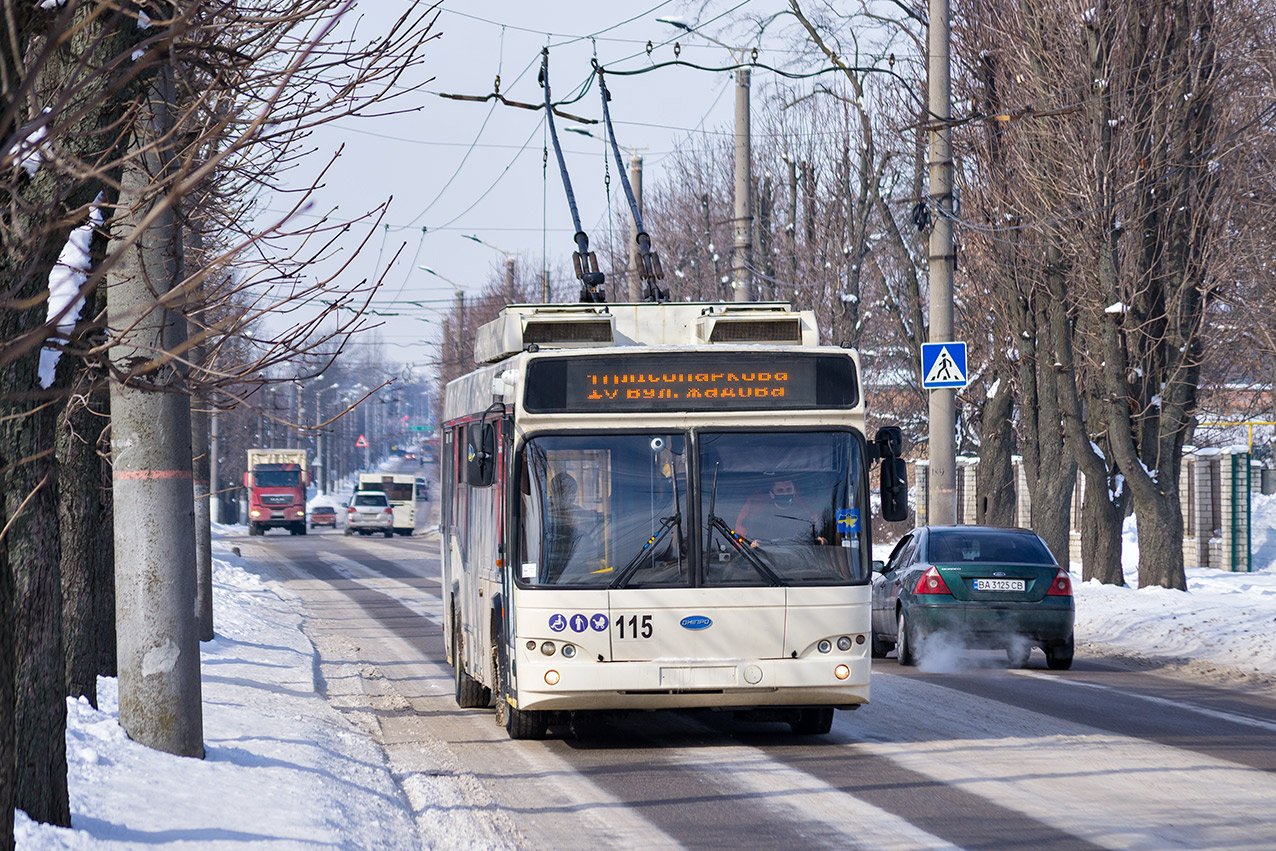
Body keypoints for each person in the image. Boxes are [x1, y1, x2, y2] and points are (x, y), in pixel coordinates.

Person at [734, 478, 827, 549]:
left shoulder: (805, 517)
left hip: (799, 558)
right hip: (767, 560)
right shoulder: (761, 518)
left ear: (794, 492)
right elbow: (752, 540)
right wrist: (753, 545)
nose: (785, 493)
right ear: (772, 494)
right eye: (780, 491)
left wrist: (820, 542)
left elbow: (815, 540)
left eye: (789, 489)